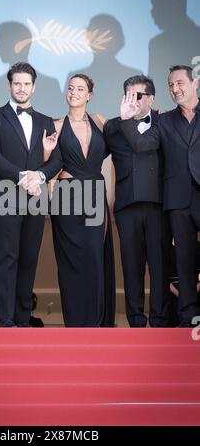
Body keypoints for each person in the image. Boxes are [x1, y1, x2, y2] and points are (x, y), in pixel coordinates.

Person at [0, 62, 62, 327]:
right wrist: (22, 177)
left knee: (29, 258)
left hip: (36, 198)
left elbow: (56, 161)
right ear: (9, 85)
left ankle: (22, 319)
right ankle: (4, 320)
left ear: (34, 86)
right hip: (6, 196)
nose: (22, 88)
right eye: (17, 83)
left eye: (27, 83)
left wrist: (38, 176)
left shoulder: (45, 121)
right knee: (6, 258)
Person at [120, 65, 200, 327]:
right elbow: (142, 145)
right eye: (171, 85)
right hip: (177, 200)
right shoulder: (164, 121)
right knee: (184, 259)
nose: (175, 89)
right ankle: (189, 317)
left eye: (179, 83)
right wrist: (126, 119)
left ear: (194, 83)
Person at [44, 74, 115, 327]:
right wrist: (46, 149)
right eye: (70, 88)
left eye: (80, 88)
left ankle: (95, 324)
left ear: (90, 95)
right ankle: (76, 324)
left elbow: (124, 145)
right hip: (66, 196)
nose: (74, 92)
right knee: (71, 262)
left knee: (95, 259)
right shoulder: (56, 125)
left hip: (96, 194)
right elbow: (46, 164)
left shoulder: (101, 122)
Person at [104, 75, 170, 327]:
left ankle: (160, 321)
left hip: (158, 205)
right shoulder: (112, 126)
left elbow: (144, 146)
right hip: (126, 207)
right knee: (131, 266)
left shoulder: (165, 122)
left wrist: (126, 122)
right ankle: (136, 321)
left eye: (138, 96)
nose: (132, 101)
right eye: (128, 95)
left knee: (160, 265)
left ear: (151, 99)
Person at [169, 241, 200, 326]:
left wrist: (190, 294)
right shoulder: (166, 249)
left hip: (194, 294)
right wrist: (179, 294)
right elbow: (162, 280)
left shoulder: (197, 248)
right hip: (173, 296)